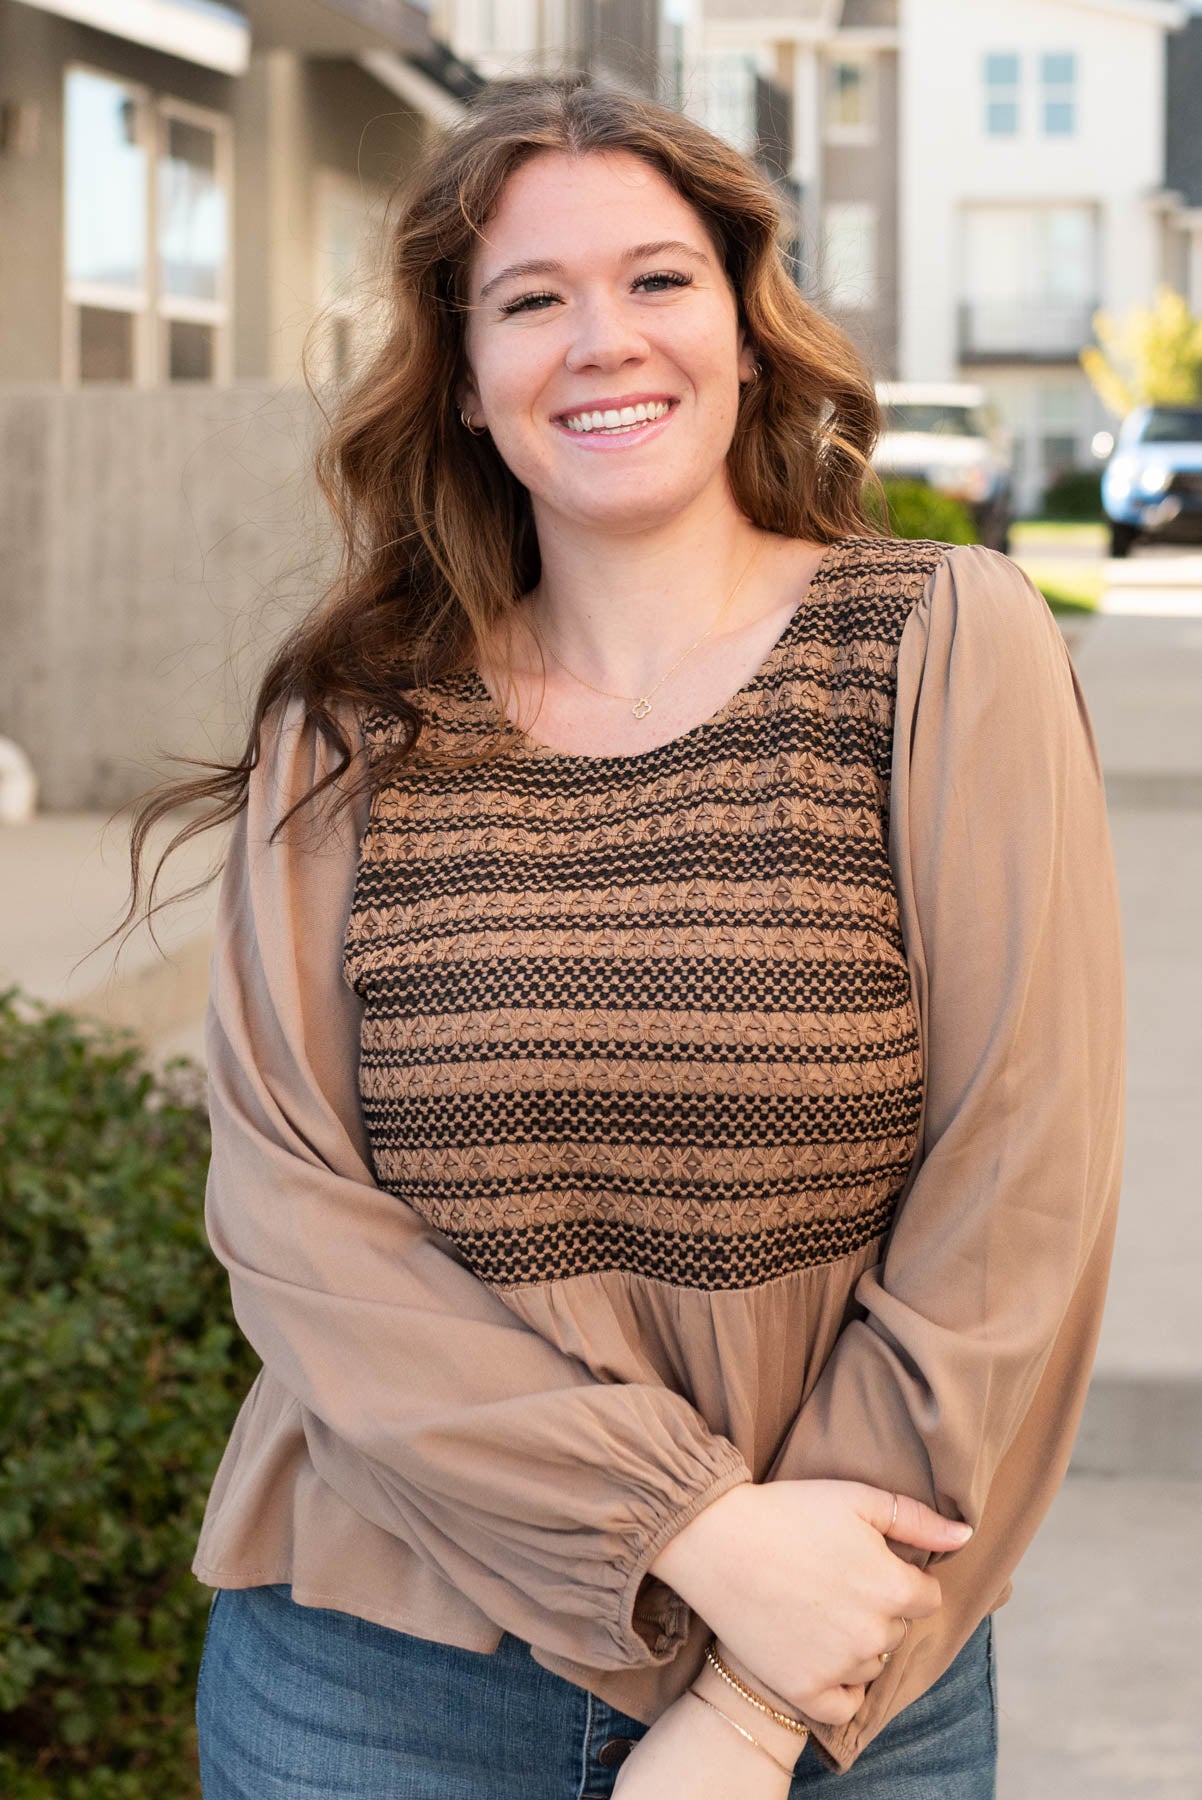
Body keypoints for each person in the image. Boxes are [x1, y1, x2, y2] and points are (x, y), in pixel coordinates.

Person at [117, 75, 1125, 1798]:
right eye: (531, 299)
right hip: (378, 1679)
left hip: (837, 1674)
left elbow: (1017, 1185)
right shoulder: (354, 721)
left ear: (743, 325)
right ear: (465, 375)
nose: (602, 340)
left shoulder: (939, 647)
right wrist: (684, 1528)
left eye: (656, 279)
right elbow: (290, 1218)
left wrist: (748, 1705)